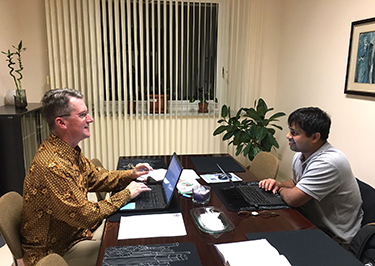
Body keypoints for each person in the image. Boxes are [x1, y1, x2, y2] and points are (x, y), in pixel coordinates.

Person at [21, 88, 152, 266]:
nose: (90, 119)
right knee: (127, 251)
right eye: (83, 115)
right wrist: (126, 194)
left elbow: (95, 177)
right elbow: (86, 216)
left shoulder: (67, 150)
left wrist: (130, 174)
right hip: (56, 254)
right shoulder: (52, 166)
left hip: (76, 235)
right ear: (61, 123)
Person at [259, 107, 363, 246]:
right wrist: (278, 184)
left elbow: (292, 199)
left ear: (315, 137)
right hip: (309, 222)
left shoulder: (328, 162)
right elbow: (296, 183)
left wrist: (279, 190)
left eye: (294, 133)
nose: (288, 136)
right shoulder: (301, 154)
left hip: (336, 238)